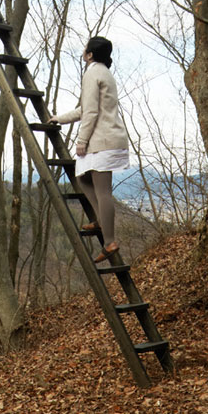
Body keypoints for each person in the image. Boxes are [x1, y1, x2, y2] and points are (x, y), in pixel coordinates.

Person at [49, 36, 129, 262]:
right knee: (83, 179)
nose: (82, 50)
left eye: (85, 48)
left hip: (103, 141)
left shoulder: (93, 72)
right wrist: (59, 119)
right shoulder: (103, 72)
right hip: (106, 140)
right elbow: (84, 109)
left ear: (90, 54)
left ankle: (110, 241)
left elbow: (91, 112)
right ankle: (102, 220)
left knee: (103, 191)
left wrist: (81, 141)